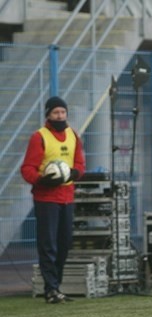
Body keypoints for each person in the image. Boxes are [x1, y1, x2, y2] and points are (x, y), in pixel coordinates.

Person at [20, 96, 85, 303]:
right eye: (56, 113)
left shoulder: (73, 135)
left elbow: (80, 165)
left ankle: (57, 286)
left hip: (67, 197)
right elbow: (27, 169)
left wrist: (74, 174)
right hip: (46, 198)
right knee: (48, 245)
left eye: (63, 112)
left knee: (64, 243)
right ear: (48, 114)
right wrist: (42, 180)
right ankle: (50, 289)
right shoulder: (39, 137)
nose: (60, 116)